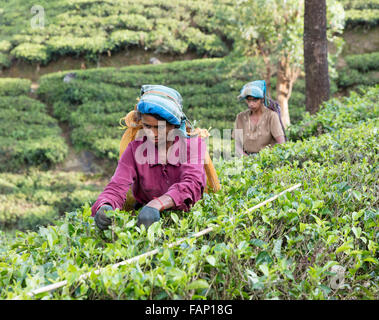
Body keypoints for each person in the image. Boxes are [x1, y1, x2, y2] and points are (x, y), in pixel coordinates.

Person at [92, 85, 207, 230]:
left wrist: (157, 204)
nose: (152, 133)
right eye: (147, 126)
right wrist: (105, 205)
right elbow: (117, 185)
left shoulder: (193, 146)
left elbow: (192, 183)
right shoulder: (135, 150)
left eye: (159, 127)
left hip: (186, 220)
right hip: (145, 219)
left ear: (173, 125)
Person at [232, 80, 285, 156]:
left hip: (267, 159)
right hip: (246, 159)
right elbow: (237, 145)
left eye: (255, 100)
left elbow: (281, 143)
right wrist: (246, 158)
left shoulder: (271, 116)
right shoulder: (240, 117)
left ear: (262, 99)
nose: (251, 104)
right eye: (248, 100)